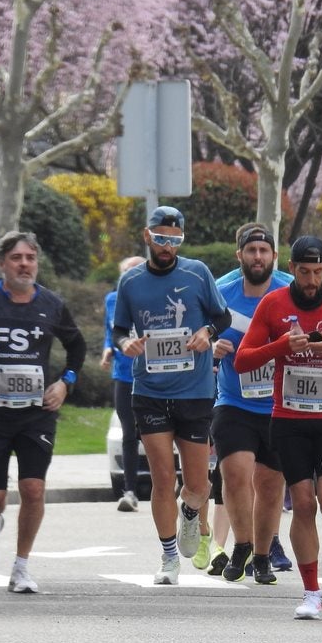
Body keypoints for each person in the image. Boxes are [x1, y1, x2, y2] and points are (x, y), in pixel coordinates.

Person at [0, 231, 86, 593]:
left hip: (36, 414)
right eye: (17, 258)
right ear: (2, 263)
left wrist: (64, 383)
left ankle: (21, 567)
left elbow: (76, 346)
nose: (25, 264)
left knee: (33, 489)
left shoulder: (51, 304)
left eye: (31, 258)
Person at [112, 205, 231, 585]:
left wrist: (206, 334)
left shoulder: (197, 272)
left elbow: (222, 317)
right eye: (161, 238)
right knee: (163, 478)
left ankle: (192, 515)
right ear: (147, 236)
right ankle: (167, 557)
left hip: (194, 391)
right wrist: (127, 342)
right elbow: (118, 329)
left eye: (175, 240)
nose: (167, 246)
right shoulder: (130, 282)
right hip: (148, 390)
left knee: (197, 486)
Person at [235, 236, 322, 619]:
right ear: (293, 266)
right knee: (302, 503)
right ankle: (312, 593)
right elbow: (243, 361)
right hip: (289, 419)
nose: (312, 280)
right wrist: (281, 345)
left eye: (319, 272)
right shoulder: (273, 303)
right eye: (304, 272)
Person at [210, 223, 293, 586]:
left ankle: (261, 556)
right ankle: (241, 543)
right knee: (236, 474)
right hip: (233, 400)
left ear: (274, 257)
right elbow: (196, 336)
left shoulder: (290, 291)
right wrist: (210, 348)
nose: (257, 257)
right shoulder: (220, 293)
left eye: (264, 251)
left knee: (271, 485)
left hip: (278, 405)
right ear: (239, 255)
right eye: (251, 251)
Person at [101, 255, 148, 512]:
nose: (129, 277)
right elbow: (111, 331)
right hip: (123, 375)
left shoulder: (151, 299)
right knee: (129, 433)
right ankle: (129, 492)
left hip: (152, 376)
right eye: (125, 273)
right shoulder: (111, 300)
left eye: (135, 271)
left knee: (158, 435)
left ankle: (173, 485)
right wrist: (108, 349)